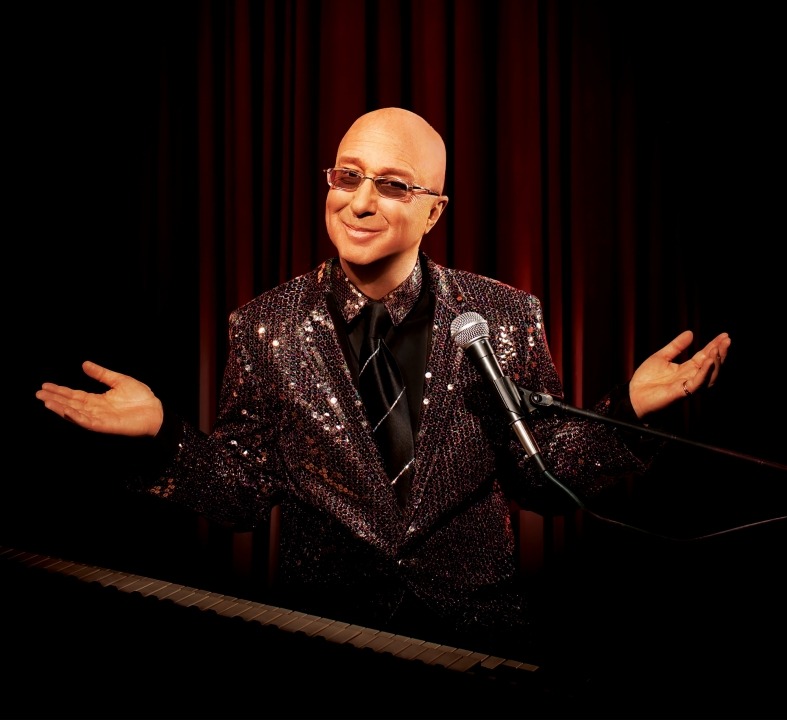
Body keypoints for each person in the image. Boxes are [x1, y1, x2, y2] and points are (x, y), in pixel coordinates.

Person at [35, 107, 730, 675]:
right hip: (324, 636)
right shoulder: (262, 325)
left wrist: (627, 411)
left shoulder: (503, 315)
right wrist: (163, 437)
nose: (360, 202)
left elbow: (540, 477)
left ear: (434, 211)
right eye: (347, 177)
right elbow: (242, 496)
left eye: (393, 185)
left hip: (479, 640)